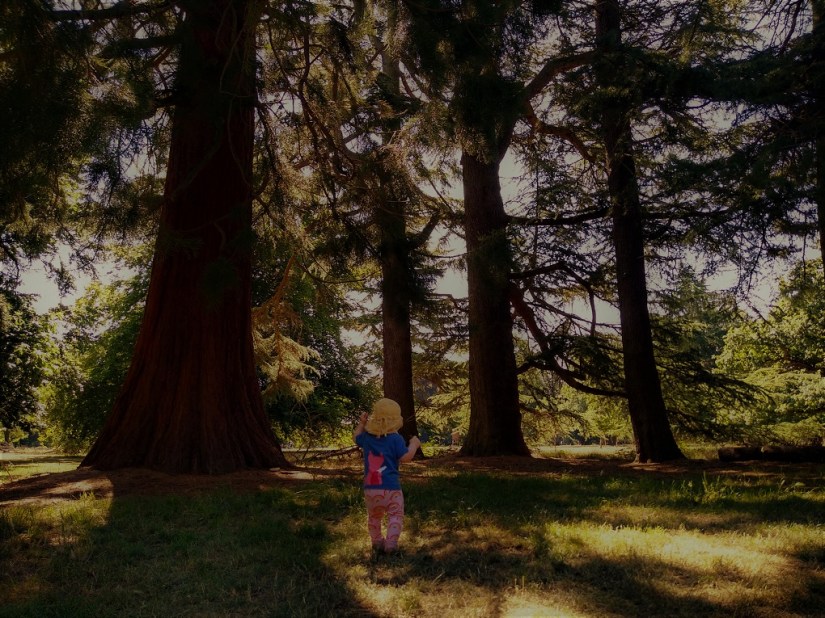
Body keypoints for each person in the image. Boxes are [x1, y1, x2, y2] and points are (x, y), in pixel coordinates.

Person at [353, 398, 420, 554]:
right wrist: (414, 445)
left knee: (374, 517)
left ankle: (376, 542)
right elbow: (405, 457)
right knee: (395, 515)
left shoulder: (367, 438)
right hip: (391, 488)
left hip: (370, 488)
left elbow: (356, 437)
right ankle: (390, 544)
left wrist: (362, 424)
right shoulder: (395, 439)